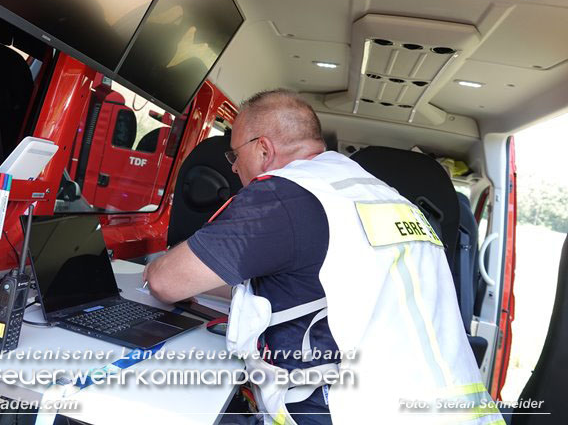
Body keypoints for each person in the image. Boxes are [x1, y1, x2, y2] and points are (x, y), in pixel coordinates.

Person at [144, 89, 503, 425]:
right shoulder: (383, 195)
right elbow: (323, 284)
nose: (234, 168)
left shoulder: (284, 194)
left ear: (263, 151)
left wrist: (154, 268)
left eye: (235, 155)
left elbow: (164, 282)